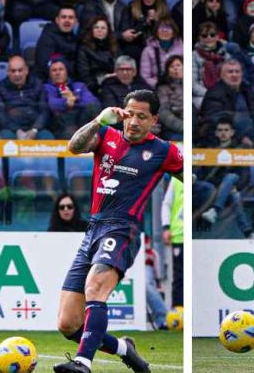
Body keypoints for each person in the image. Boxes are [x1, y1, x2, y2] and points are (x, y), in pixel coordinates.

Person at [54, 89, 182, 373]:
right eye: (129, 114)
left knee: (94, 288)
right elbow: (74, 146)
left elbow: (192, 177)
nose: (133, 122)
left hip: (125, 228)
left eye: (142, 116)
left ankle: (83, 363)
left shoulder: (164, 150)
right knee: (68, 323)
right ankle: (126, 349)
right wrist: (99, 120)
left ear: (154, 120)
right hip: (94, 229)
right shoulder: (107, 136)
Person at [0, 55, 52, 140]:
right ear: (8, 72)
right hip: (10, 129)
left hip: (35, 127)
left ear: (26, 70)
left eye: (20, 70)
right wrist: (17, 131)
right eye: (13, 71)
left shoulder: (38, 85)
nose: (17, 74)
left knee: (47, 137)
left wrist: (34, 130)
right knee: (5, 138)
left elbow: (44, 111)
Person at [44, 57, 100, 139]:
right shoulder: (46, 88)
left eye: (61, 69)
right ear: (49, 74)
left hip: (82, 122)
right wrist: (66, 102)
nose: (57, 73)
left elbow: (93, 102)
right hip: (60, 126)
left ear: (67, 71)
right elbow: (52, 103)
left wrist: (74, 99)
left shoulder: (79, 86)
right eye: (54, 70)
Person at [35, 5, 79, 80]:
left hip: (70, 79)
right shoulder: (48, 37)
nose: (67, 20)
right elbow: (46, 65)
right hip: (49, 82)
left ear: (75, 21)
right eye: (63, 17)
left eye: (70, 18)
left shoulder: (76, 38)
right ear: (57, 20)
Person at [161, 176, 183, 308]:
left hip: (193, 235)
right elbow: (166, 204)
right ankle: (178, 310)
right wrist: (166, 227)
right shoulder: (176, 180)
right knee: (179, 276)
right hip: (179, 236)